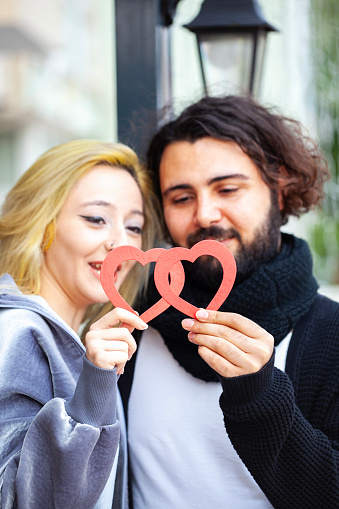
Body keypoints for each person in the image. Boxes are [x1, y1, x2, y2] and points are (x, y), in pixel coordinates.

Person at [119, 95, 339, 509]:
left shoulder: (332, 335)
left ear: (279, 188)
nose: (205, 215)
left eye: (228, 189)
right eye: (181, 198)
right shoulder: (131, 325)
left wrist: (260, 396)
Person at [0, 139, 159, 509]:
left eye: (134, 227)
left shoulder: (79, 340)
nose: (120, 244)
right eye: (95, 219)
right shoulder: (16, 334)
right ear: (42, 225)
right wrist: (92, 392)